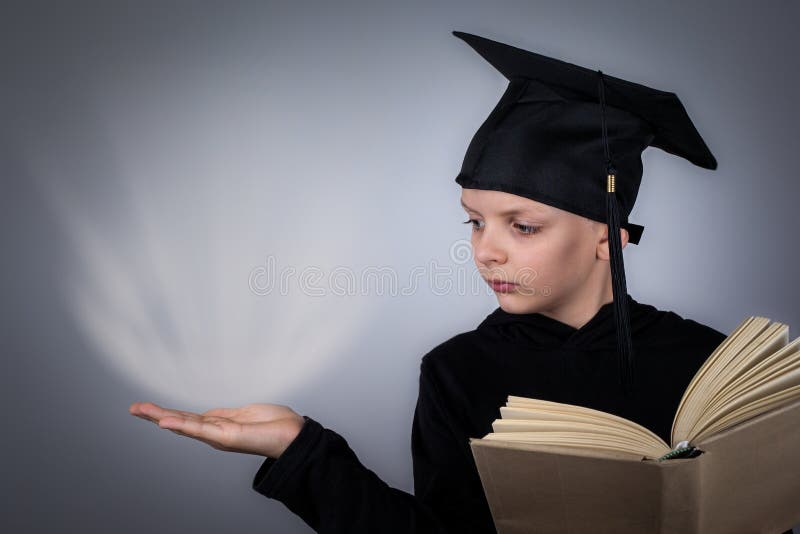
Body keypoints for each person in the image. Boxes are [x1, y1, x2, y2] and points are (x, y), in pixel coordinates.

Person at [131, 31, 786, 533]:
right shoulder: (459, 372)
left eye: (521, 226)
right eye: (474, 221)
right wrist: (299, 450)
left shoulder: (714, 367)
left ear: (605, 234)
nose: (486, 251)